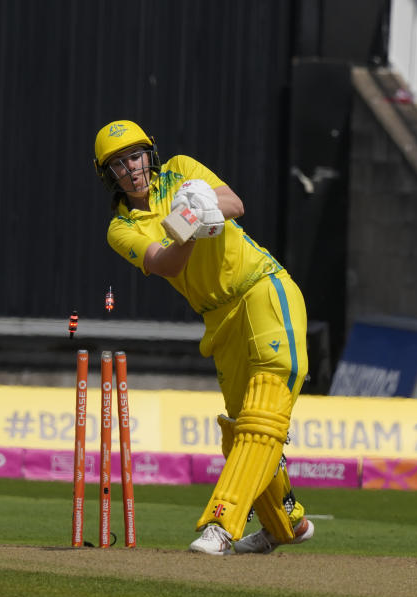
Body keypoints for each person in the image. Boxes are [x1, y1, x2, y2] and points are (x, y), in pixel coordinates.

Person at [93, 119, 314, 555]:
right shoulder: (121, 228)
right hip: (219, 318)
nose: (132, 168)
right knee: (240, 428)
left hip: (261, 286)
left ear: (149, 155)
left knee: (266, 404)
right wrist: (188, 224)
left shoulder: (181, 169)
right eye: (119, 164)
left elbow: (234, 203)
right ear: (110, 175)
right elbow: (168, 264)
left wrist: (203, 207)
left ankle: (222, 523)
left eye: (135, 155)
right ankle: (285, 523)